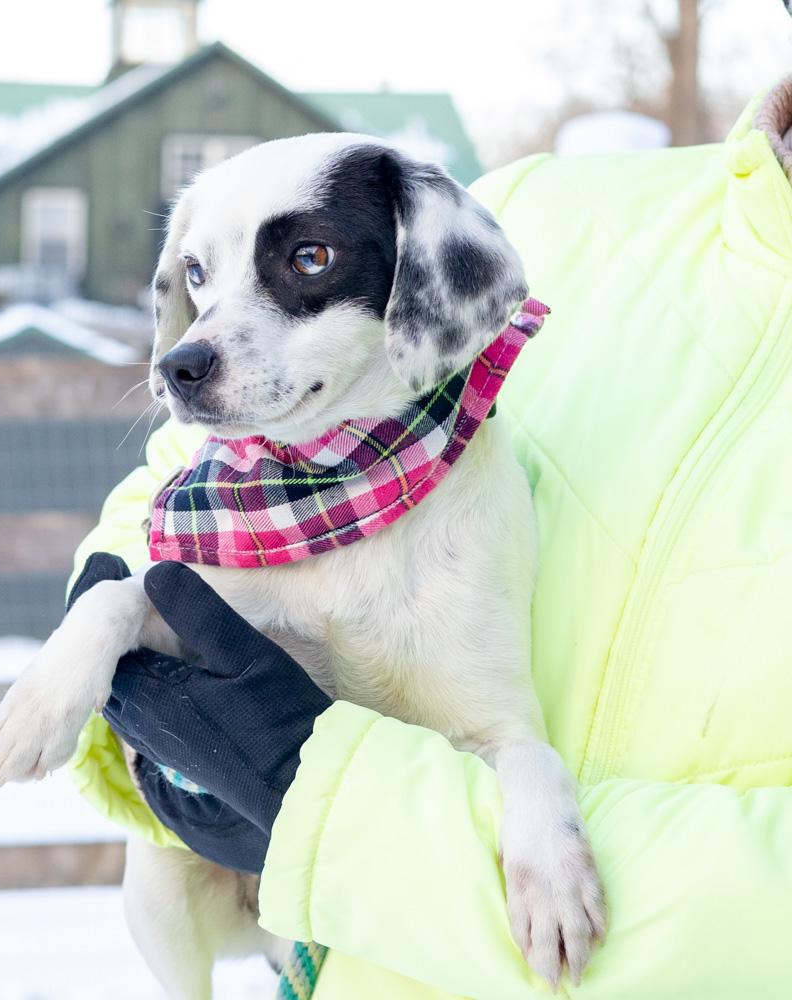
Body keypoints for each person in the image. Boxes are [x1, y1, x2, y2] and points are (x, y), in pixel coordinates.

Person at [65, 78, 792, 997]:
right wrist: (110, 642)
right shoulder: (545, 202)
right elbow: (182, 472)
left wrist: (330, 807)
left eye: (307, 260)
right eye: (202, 279)